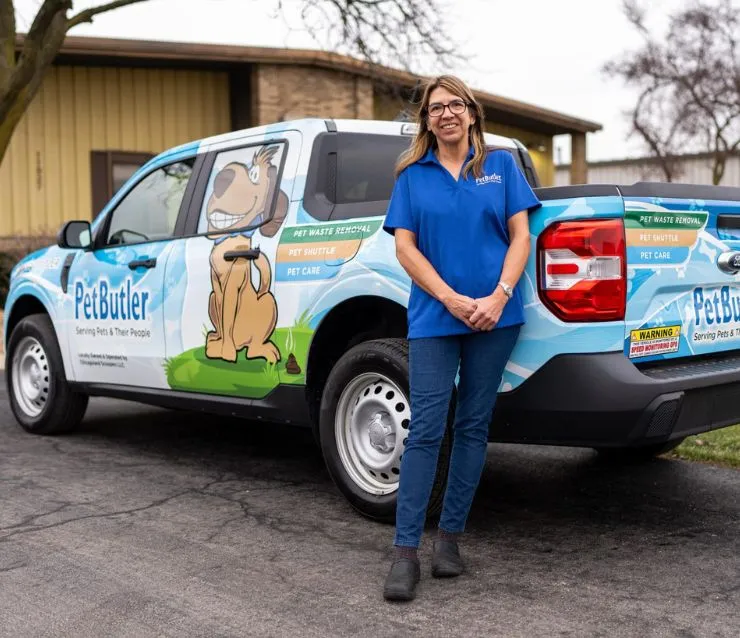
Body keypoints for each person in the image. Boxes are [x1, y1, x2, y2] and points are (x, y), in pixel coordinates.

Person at [381, 75, 541, 602]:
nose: (445, 114)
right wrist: (450, 299)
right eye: (435, 108)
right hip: (435, 317)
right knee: (426, 428)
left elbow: (521, 235)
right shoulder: (412, 174)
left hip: (496, 317)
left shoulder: (500, 166)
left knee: (473, 425)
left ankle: (449, 541)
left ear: (472, 113)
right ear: (426, 120)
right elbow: (406, 249)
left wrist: (499, 296)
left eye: (455, 105)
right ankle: (405, 553)